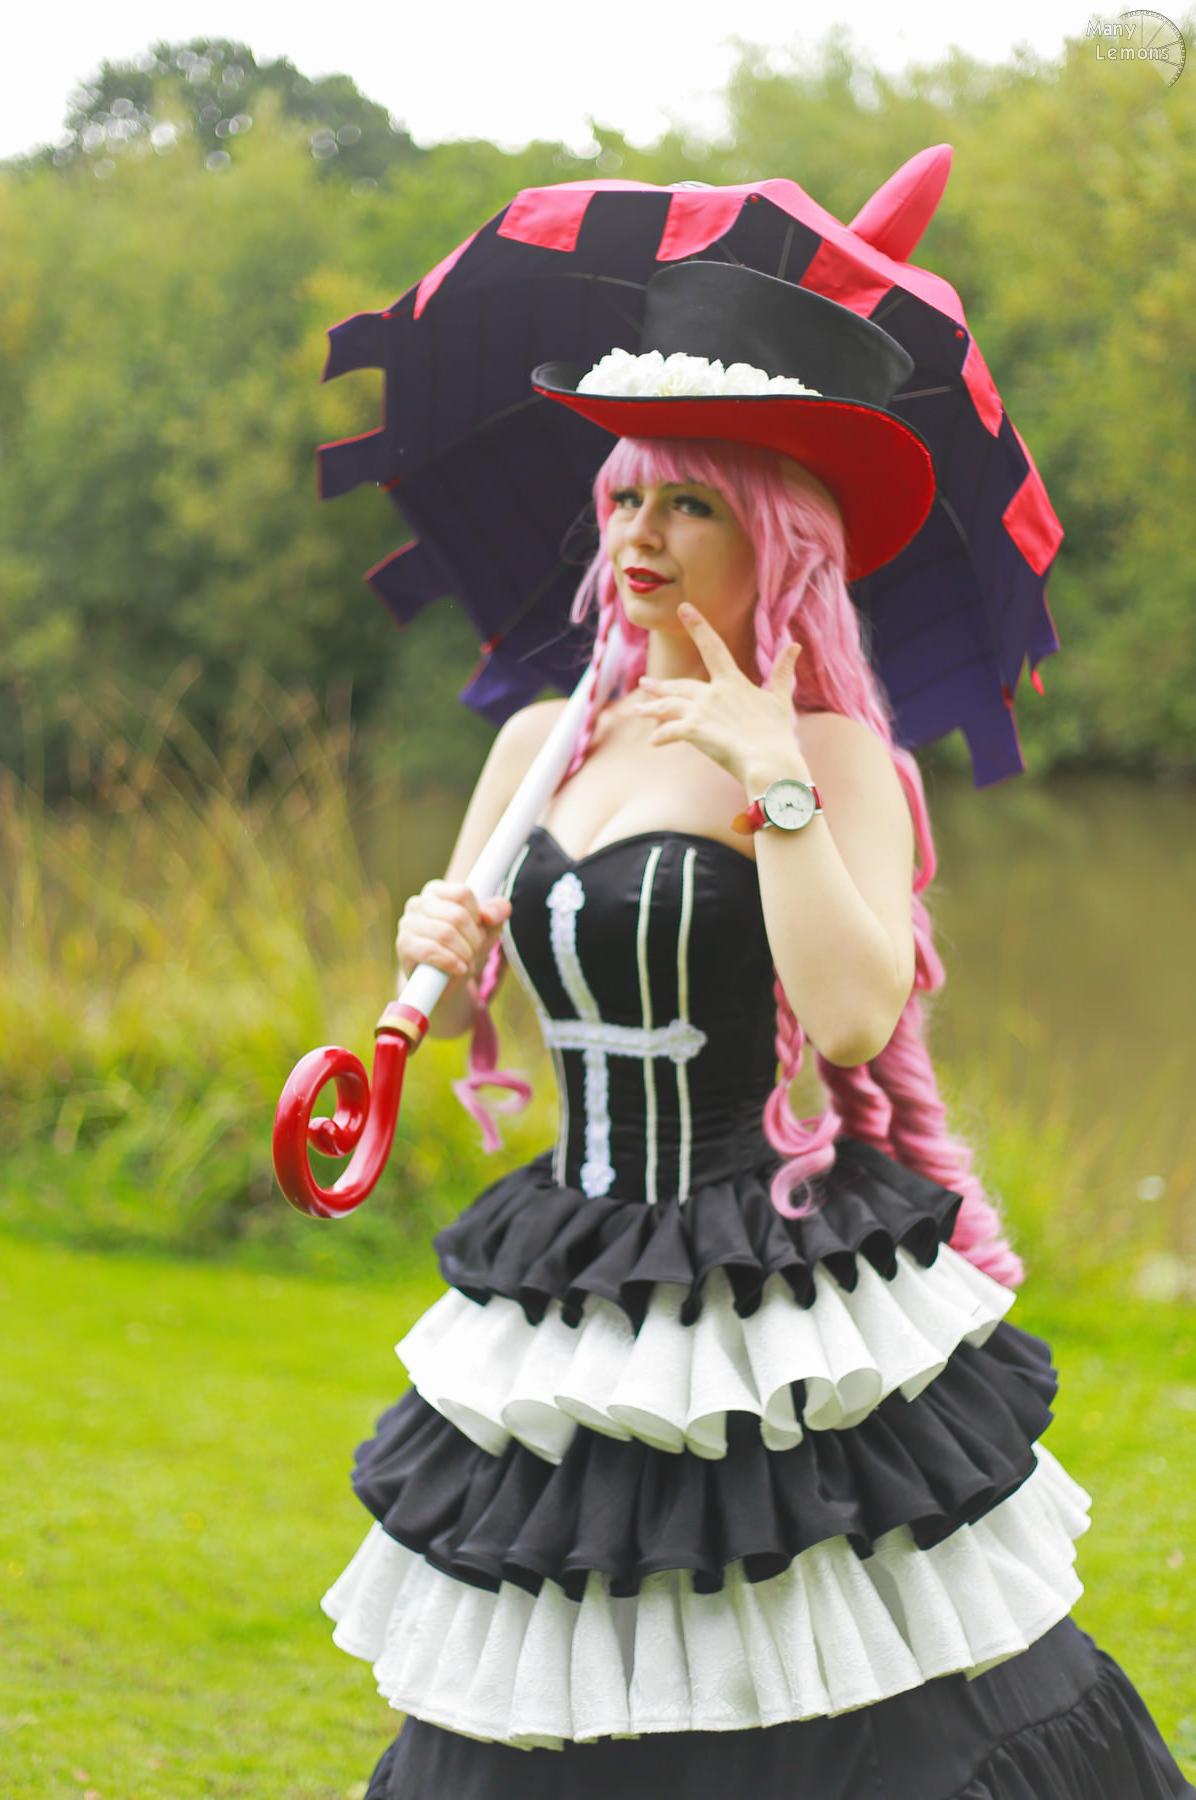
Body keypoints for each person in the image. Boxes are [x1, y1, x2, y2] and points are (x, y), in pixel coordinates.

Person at [321, 262, 1193, 1799]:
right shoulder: (541, 744)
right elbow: (483, 993)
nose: (639, 536)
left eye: (689, 505)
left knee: (835, 1659)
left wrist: (770, 777)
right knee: (554, 1637)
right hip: (572, 1266)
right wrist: (437, 951)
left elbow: (852, 1018)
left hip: (763, 1266)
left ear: (777, 536)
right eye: (624, 499)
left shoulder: (837, 755)